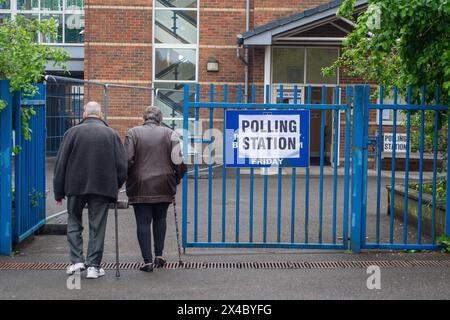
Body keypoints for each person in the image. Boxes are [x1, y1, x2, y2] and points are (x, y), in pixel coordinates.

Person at [53, 101, 127, 279]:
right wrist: (115, 185)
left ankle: (77, 261)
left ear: (85, 114)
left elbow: (60, 164)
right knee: (97, 226)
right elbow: (122, 166)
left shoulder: (71, 133)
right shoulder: (112, 134)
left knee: (73, 222)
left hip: (75, 186)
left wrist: (58, 191)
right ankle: (94, 266)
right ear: (101, 115)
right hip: (102, 187)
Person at [125, 106, 186, 273]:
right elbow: (178, 160)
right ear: (160, 119)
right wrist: (177, 178)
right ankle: (159, 255)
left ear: (145, 118)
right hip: (164, 183)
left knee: (143, 222)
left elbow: (128, 160)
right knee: (160, 219)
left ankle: (147, 261)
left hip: (140, 184)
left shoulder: (133, 133)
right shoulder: (170, 133)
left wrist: (126, 179)